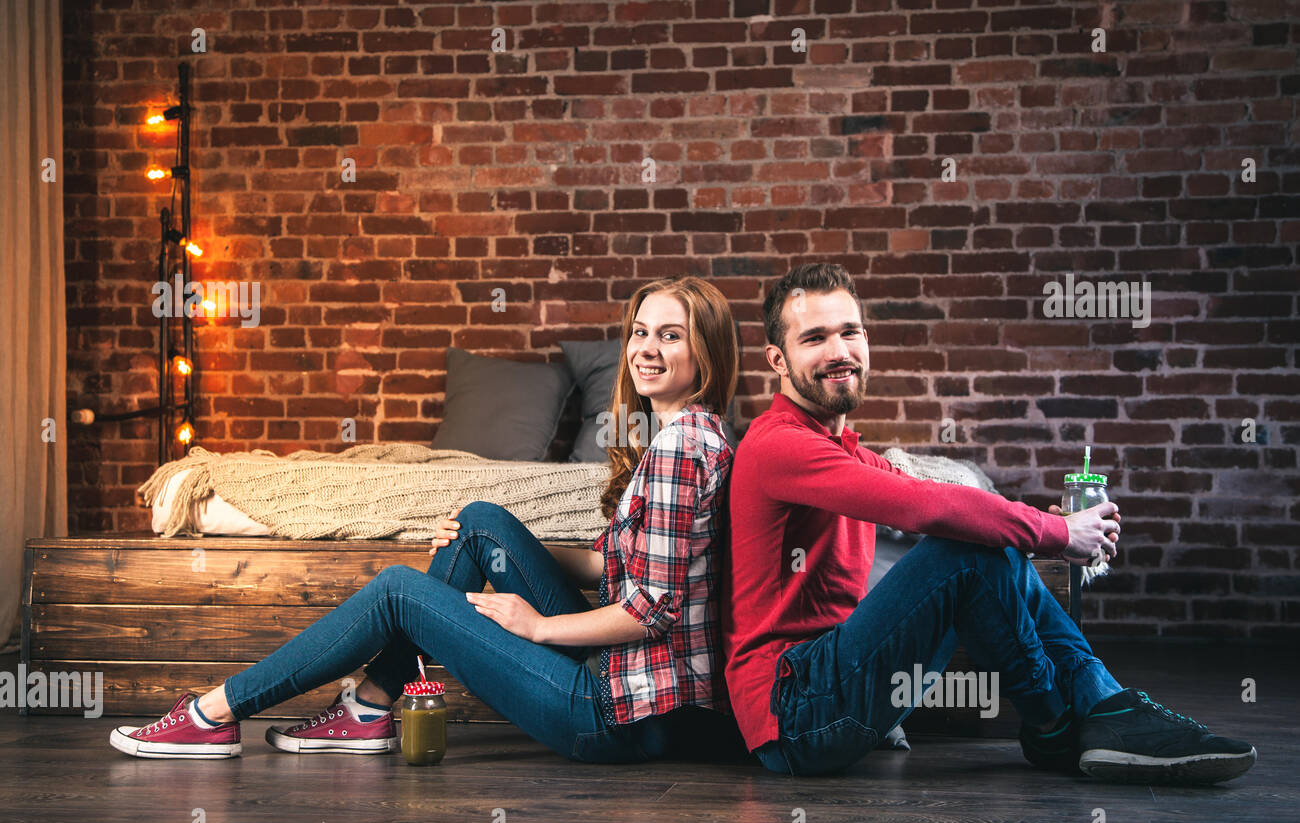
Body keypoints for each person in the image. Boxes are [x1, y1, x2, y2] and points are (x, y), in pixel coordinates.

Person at [110, 275, 744, 764]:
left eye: (671, 334)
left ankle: (216, 713)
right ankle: (368, 708)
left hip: (616, 714)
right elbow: (617, 563)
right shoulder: (684, 435)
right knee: (479, 518)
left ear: (706, 350)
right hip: (632, 691)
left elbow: (650, 610)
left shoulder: (680, 449)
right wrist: (489, 545)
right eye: (639, 331)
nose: (647, 349)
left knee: (398, 592)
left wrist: (540, 626)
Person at [722, 261, 1256, 783]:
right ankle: (1059, 725)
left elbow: (944, 495)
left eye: (850, 332)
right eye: (814, 338)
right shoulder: (779, 445)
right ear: (778, 359)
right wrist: (1060, 535)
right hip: (794, 712)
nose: (839, 352)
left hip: (831, 690)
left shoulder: (841, 450)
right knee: (962, 551)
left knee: (981, 540)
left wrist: (1027, 523)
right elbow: (924, 507)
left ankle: (1105, 704)